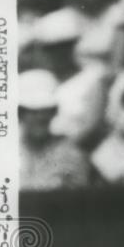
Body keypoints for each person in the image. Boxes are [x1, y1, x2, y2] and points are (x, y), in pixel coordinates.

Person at [33, 8, 112, 147]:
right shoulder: (40, 79)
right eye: (50, 48)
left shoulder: (93, 77)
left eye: (63, 46)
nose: (57, 53)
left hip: (75, 151)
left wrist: (58, 152)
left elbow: (92, 126)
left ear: (73, 46)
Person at [18, 69, 91, 190]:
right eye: (33, 111)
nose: (40, 117)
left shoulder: (70, 153)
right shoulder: (4, 154)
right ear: (20, 113)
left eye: (46, 110)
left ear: (54, 112)